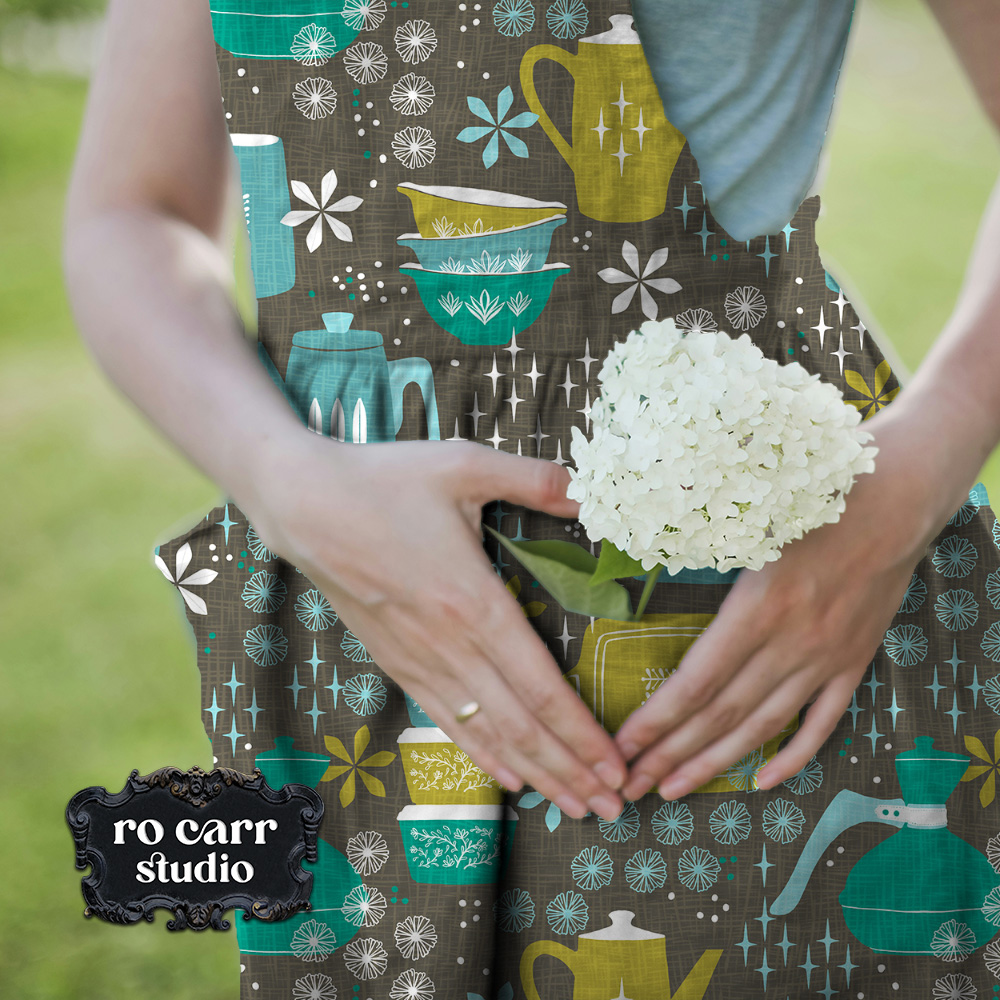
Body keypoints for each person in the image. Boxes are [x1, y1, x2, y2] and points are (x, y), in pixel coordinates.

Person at [61, 0, 1000, 996]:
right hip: (360, 612)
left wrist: (918, 469)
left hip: (776, 613)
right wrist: (285, 480)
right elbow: (132, 210)